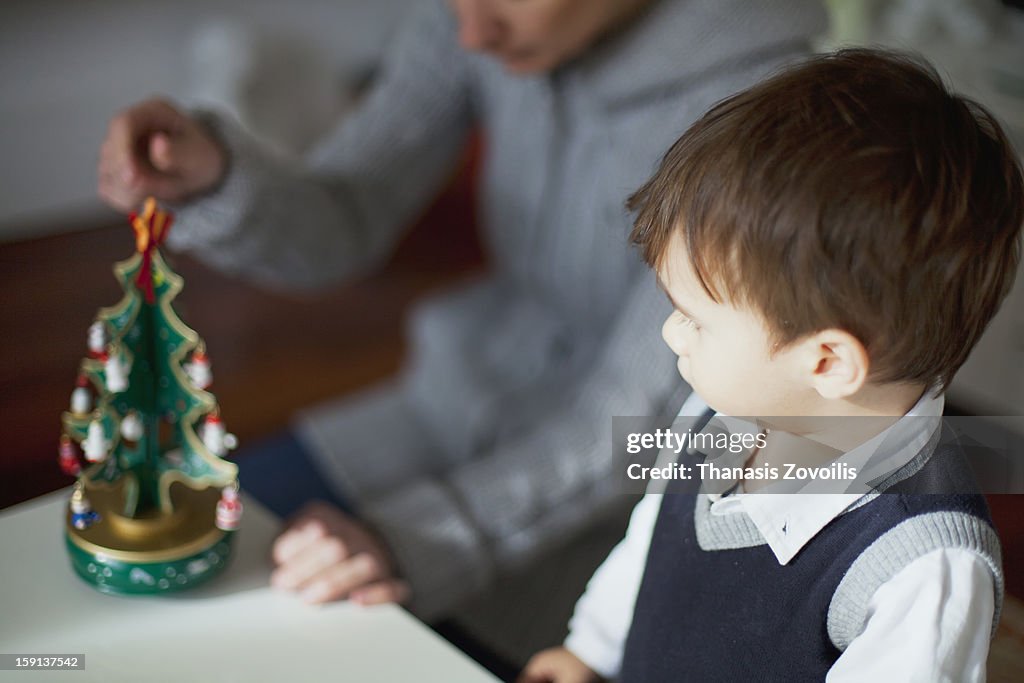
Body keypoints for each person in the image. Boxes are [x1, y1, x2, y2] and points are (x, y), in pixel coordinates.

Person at [96, 0, 826, 632]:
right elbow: (348, 209)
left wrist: (416, 538)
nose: (469, 34)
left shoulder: (772, 115)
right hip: (436, 414)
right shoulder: (474, 20)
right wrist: (217, 177)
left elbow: (632, 424)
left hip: (611, 516)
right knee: (129, 578)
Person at [518, 48, 1022, 682]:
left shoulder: (920, 566)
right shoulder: (716, 409)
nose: (673, 335)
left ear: (829, 362)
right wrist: (591, 649)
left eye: (698, 318)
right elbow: (652, 544)